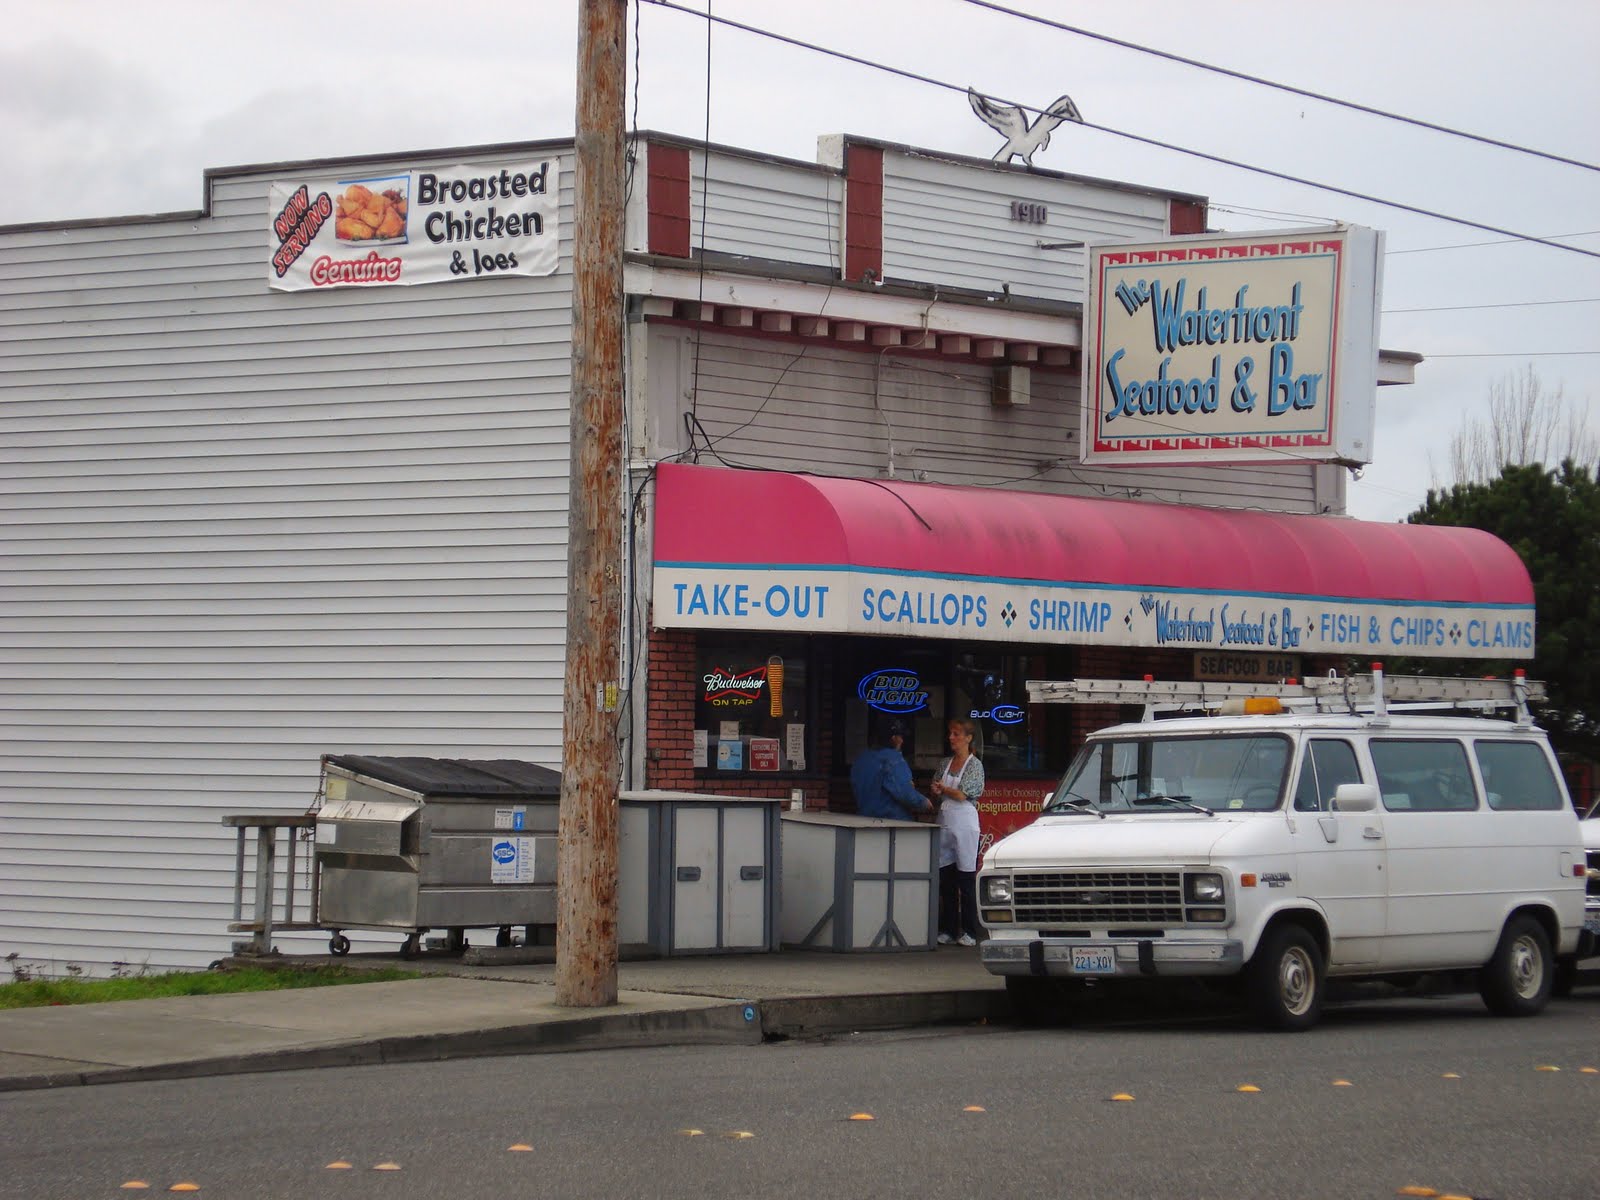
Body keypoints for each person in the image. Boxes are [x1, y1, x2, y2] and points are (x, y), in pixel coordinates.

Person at [933, 717, 984, 946]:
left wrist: (944, 789)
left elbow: (964, 794)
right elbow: (936, 785)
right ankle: (948, 928)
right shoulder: (945, 762)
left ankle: (970, 931)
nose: (951, 738)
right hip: (945, 820)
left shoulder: (975, 765)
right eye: (950, 734)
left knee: (965, 878)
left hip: (965, 822)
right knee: (946, 878)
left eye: (956, 734)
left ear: (968, 738)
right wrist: (936, 788)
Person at [849, 719, 933, 820]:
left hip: (863, 821)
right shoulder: (892, 758)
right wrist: (924, 802)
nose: (902, 740)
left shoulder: (861, 759)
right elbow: (905, 792)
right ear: (893, 738)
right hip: (891, 823)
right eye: (900, 736)